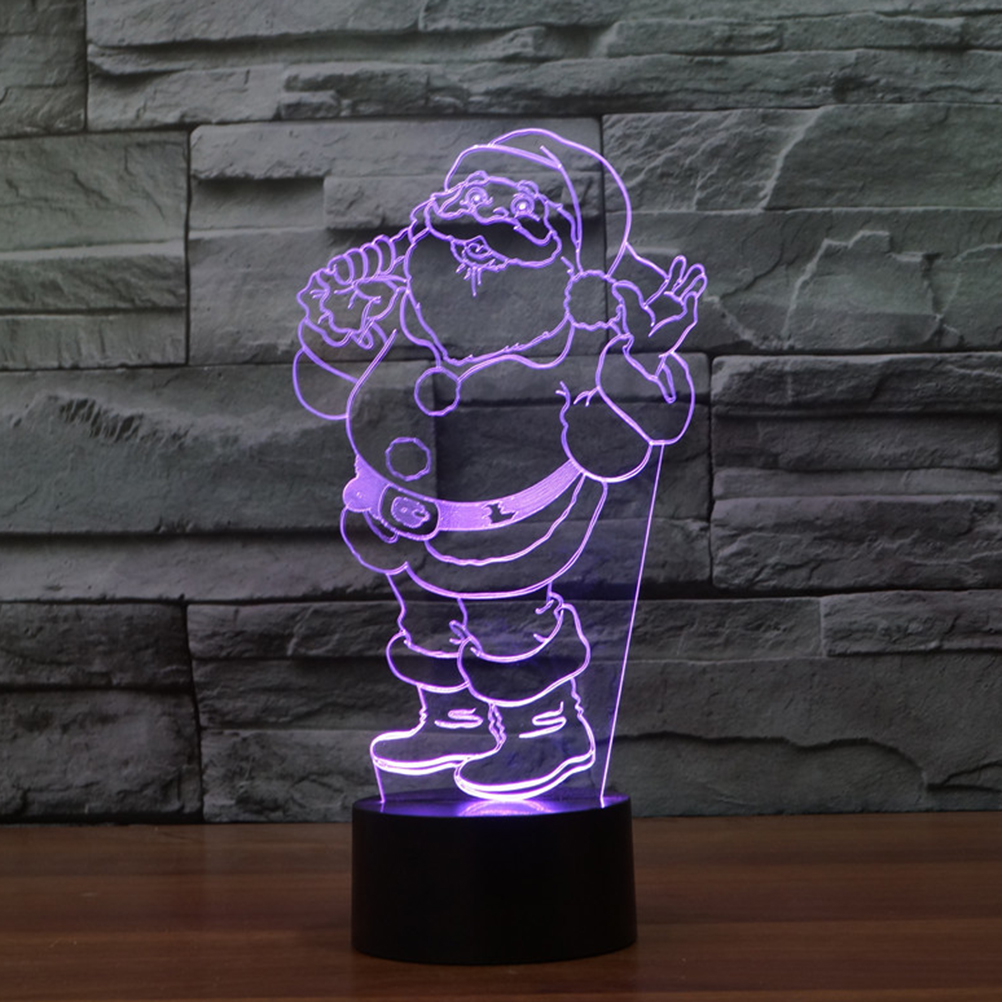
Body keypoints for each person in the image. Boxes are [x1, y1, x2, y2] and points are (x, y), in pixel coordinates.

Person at [293, 129, 705, 801]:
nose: (477, 241)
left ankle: (544, 730)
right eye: (465, 209)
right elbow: (327, 393)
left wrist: (638, 356)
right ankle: (451, 720)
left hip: (516, 532)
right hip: (408, 522)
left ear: (567, 258)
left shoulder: (576, 341)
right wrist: (337, 330)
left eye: (511, 218)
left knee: (509, 626)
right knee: (429, 620)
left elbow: (620, 443)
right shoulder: (407, 317)